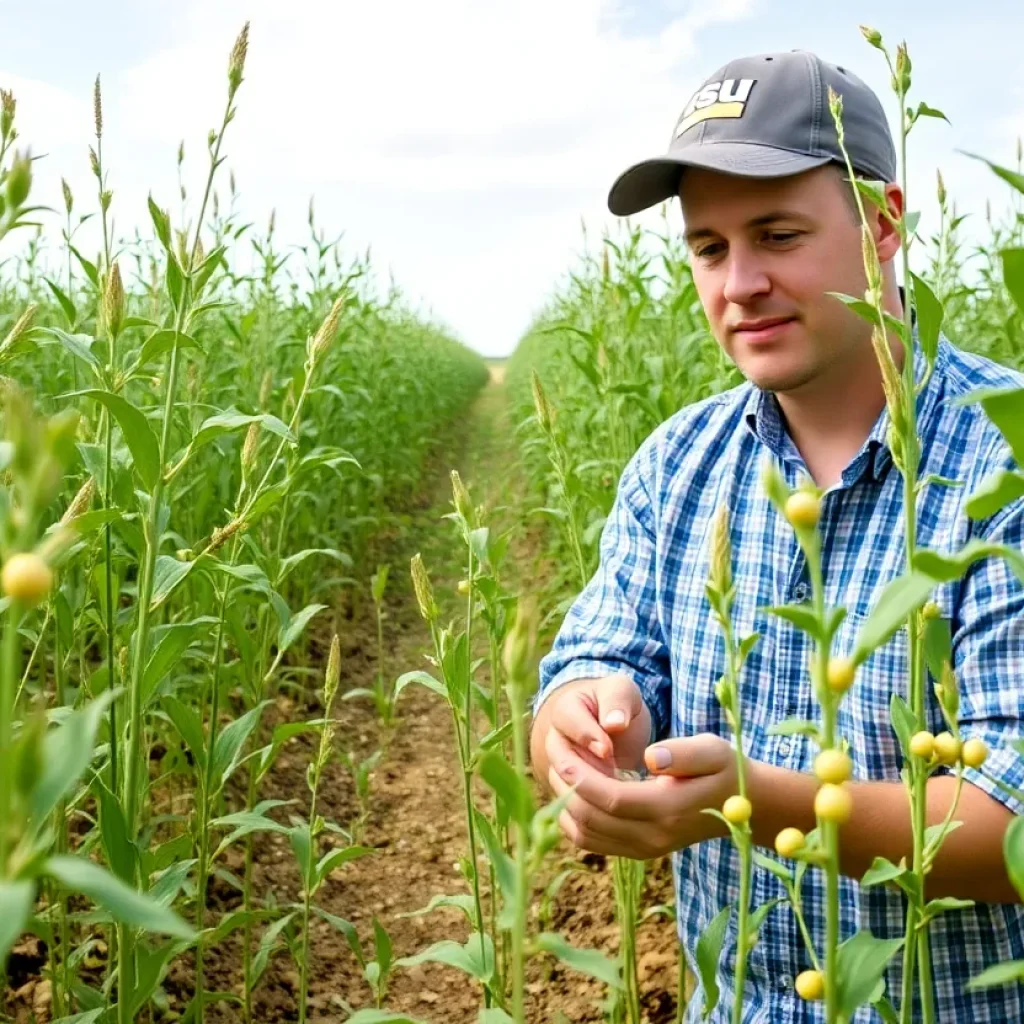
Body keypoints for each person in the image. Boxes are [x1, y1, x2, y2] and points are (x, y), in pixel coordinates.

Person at [528, 49, 1024, 1022]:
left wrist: (751, 798)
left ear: (884, 224)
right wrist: (584, 722)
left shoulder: (1004, 456)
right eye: (708, 248)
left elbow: (1011, 827)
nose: (739, 282)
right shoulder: (679, 462)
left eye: (779, 234)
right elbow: (589, 660)